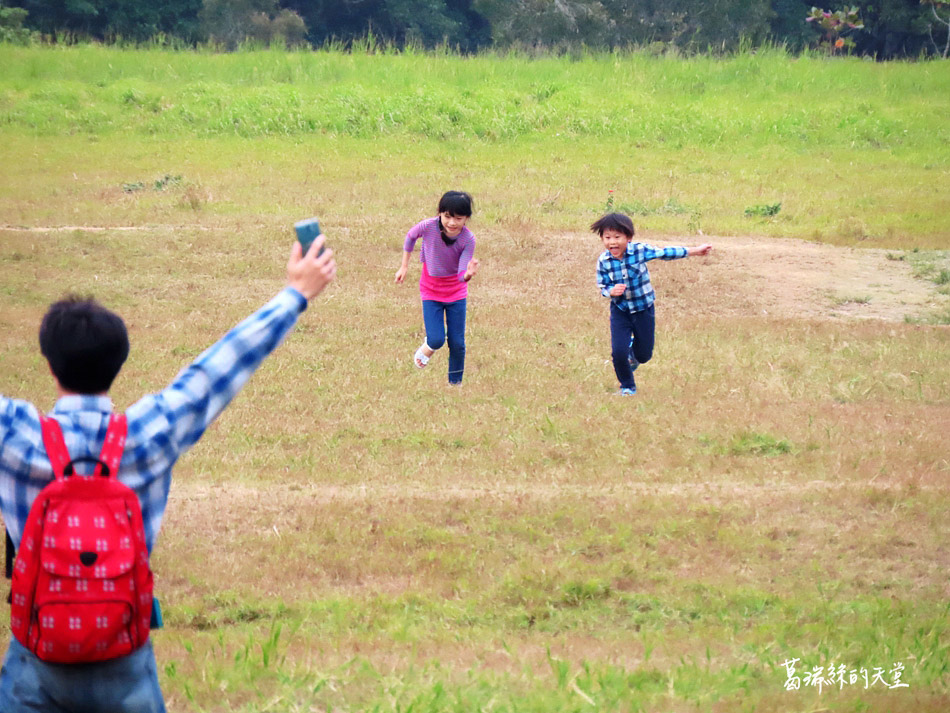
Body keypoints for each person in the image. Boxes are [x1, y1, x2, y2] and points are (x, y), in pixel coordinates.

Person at [0, 236, 336, 713]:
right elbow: (218, 367)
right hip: (125, 661)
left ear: (49, 364)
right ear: (120, 362)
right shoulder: (147, 434)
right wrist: (295, 294)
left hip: (36, 663)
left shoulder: (15, 436)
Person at [592, 212, 712, 395]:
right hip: (620, 310)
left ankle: (634, 357)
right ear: (602, 238)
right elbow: (602, 284)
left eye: (617, 237)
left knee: (644, 354)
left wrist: (695, 251)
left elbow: (665, 253)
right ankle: (627, 387)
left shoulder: (639, 251)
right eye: (607, 237)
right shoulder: (604, 261)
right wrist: (610, 291)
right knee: (618, 352)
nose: (612, 242)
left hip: (643, 309)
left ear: (628, 237)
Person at [394, 191, 480, 385]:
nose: (451, 223)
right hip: (430, 291)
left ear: (466, 218)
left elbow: (460, 275)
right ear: (440, 213)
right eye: (447, 216)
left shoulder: (468, 239)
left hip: (456, 294)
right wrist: (404, 266)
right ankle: (427, 348)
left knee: (457, 343)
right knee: (436, 339)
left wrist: (468, 274)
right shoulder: (428, 226)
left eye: (458, 218)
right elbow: (410, 236)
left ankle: (455, 383)